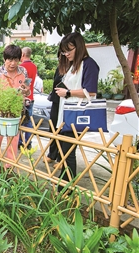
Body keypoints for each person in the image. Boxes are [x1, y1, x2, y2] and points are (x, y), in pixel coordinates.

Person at [54, 32, 99, 185]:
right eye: (64, 51)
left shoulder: (89, 64)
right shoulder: (74, 65)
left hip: (76, 114)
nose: (66, 54)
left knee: (68, 153)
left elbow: (90, 91)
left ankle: (66, 188)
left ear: (79, 47)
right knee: (65, 153)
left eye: (69, 50)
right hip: (67, 113)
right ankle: (64, 184)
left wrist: (67, 92)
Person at [0, 44, 29, 168]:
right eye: (10, 60)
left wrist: (25, 92)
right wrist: (5, 103)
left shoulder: (24, 71)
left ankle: (9, 165)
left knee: (13, 137)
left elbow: (27, 90)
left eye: (16, 60)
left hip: (15, 111)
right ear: (4, 59)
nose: (12, 63)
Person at [19, 47, 37, 149]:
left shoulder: (21, 67)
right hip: (31, 97)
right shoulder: (34, 67)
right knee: (29, 120)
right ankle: (28, 141)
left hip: (23, 97)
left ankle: (20, 141)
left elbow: (24, 84)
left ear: (23, 54)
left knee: (20, 120)